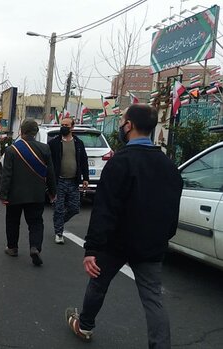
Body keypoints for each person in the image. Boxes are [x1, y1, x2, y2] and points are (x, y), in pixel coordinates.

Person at [66, 104, 182, 348]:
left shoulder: (120, 162)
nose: (120, 125)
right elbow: (172, 212)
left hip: (115, 243)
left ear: (129, 126)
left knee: (98, 284)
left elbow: (105, 210)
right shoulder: (168, 166)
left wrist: (92, 249)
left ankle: (85, 325)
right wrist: (163, 238)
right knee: (153, 299)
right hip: (151, 244)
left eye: (122, 121)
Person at [0, 119, 56, 266]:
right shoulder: (45, 149)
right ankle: (35, 247)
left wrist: (3, 195)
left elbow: (7, 175)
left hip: (14, 194)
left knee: (12, 221)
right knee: (36, 223)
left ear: (21, 132)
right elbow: (50, 173)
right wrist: (52, 191)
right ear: (36, 132)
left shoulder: (12, 149)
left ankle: (12, 248)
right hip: (36, 194)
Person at [48, 117, 90, 244]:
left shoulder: (78, 143)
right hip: (59, 181)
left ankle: (58, 221)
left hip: (73, 181)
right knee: (59, 208)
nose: (64, 127)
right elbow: (48, 163)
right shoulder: (54, 143)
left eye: (66, 125)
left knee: (74, 208)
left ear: (72, 127)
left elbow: (84, 161)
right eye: (62, 125)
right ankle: (59, 233)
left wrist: (85, 178)